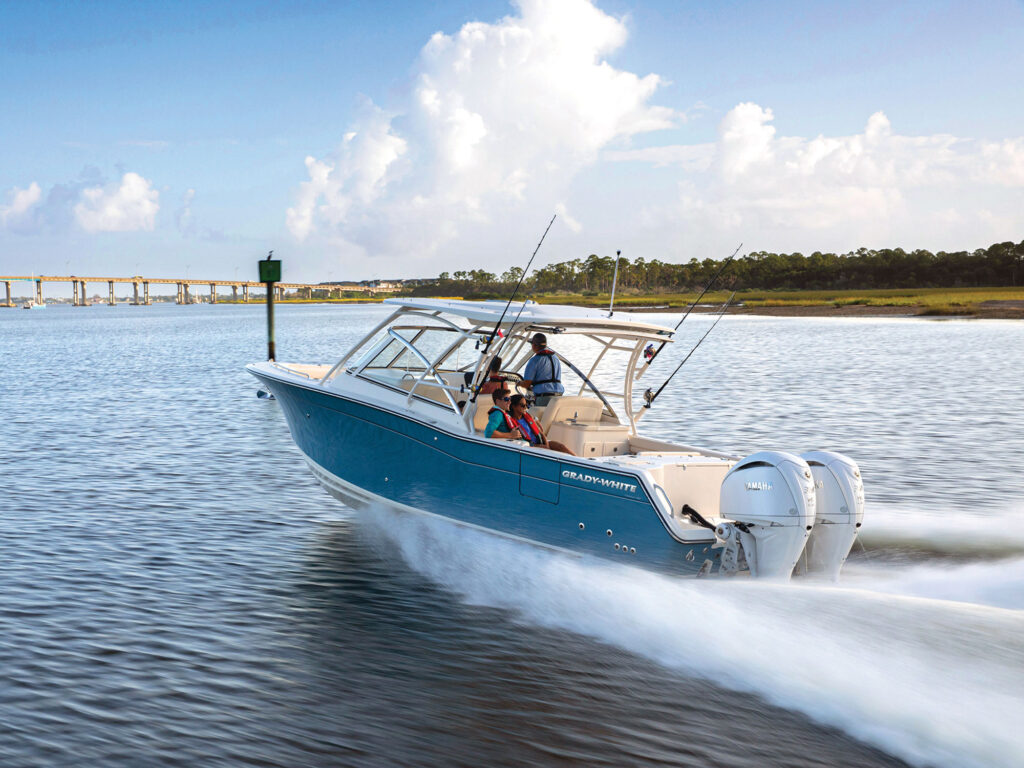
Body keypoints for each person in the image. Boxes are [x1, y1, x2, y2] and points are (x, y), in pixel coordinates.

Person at [508, 394, 576, 455]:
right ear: (514, 406)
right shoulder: (511, 421)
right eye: (523, 405)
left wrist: (546, 444)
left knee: (561, 447)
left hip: (540, 442)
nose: (526, 407)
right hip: (529, 446)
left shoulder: (528, 417)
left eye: (526, 405)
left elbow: (540, 432)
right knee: (551, 452)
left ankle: (578, 460)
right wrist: (541, 446)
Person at [520, 332, 563, 406]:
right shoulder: (555, 358)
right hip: (559, 396)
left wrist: (519, 383)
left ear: (534, 345)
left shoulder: (534, 360)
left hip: (544, 398)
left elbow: (527, 383)